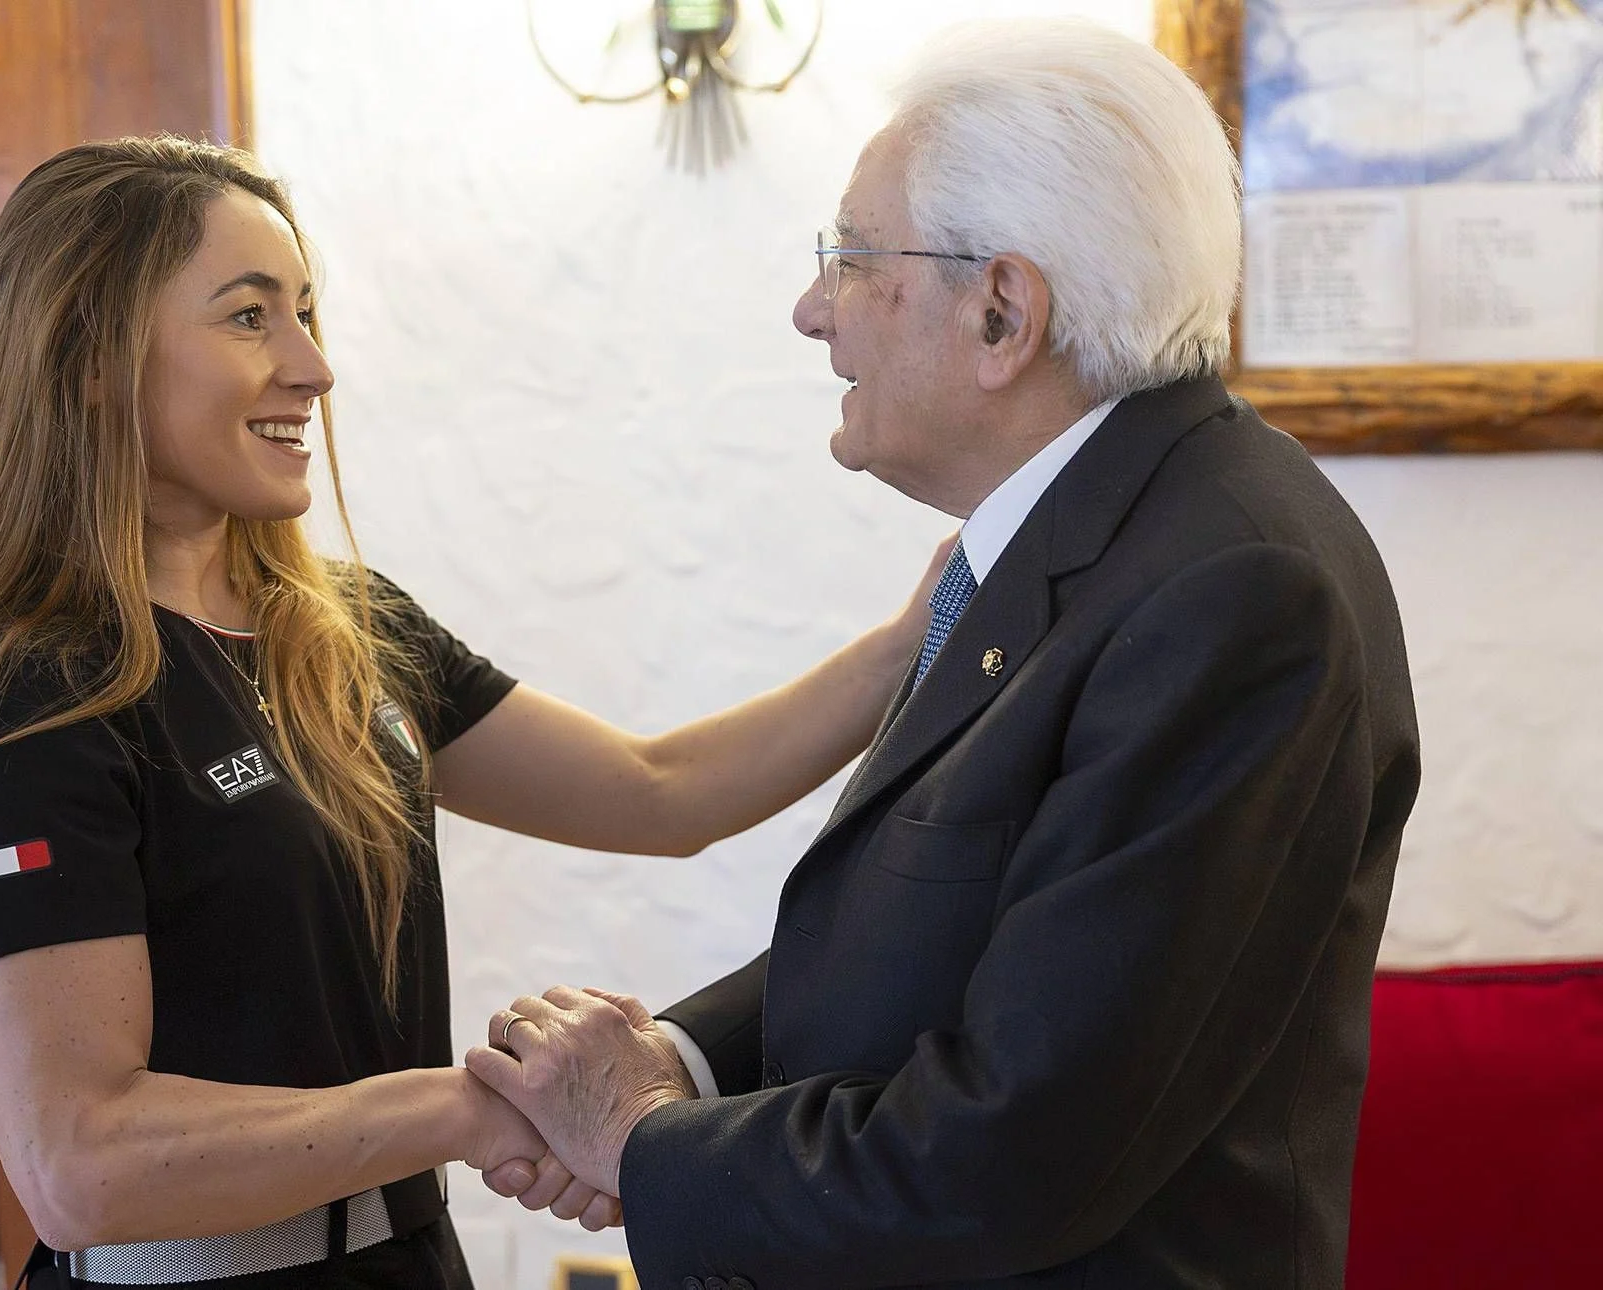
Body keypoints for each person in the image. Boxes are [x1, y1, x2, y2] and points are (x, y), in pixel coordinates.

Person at [0, 136, 949, 1289]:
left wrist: (922, 635)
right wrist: (463, 1110)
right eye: (248, 318)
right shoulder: (28, 707)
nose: (312, 367)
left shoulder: (346, 630)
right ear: (85, 354)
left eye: (307, 313)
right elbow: (82, 1161)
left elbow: (660, 792)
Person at [466, 20, 1422, 1290]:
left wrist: (645, 1142)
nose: (814, 311)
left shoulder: (1232, 590)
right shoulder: (1107, 525)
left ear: (1002, 312)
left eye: (851, 259)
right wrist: (674, 1067)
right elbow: (941, 931)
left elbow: (1019, 1149)